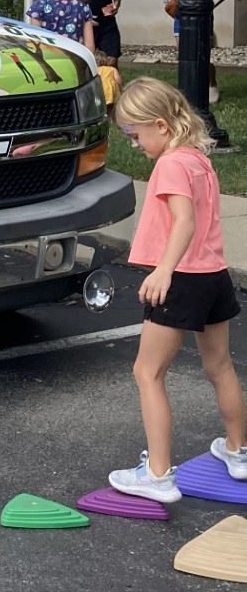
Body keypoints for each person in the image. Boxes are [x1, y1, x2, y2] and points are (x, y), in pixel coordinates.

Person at [107, 76, 247, 503]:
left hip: (182, 278)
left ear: (161, 125)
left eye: (136, 135)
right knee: (220, 366)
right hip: (213, 275)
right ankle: (238, 452)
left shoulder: (169, 165)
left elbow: (184, 221)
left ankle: (158, 475)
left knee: (147, 373)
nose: (134, 145)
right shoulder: (197, 158)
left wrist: (164, 270)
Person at [168, 0, 242, 106]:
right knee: (184, 54)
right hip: (183, 16)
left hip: (204, 18)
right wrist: (188, 1)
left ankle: (211, 84)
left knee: (202, 55)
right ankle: (186, 89)